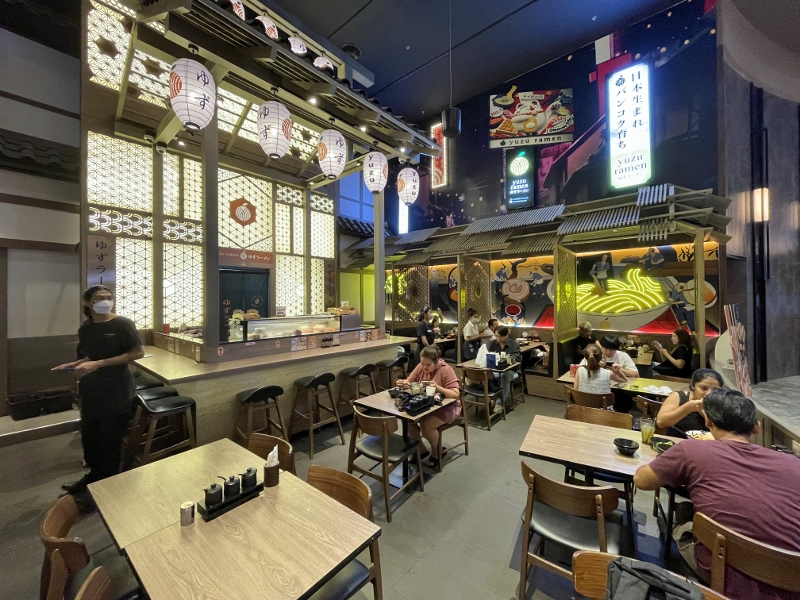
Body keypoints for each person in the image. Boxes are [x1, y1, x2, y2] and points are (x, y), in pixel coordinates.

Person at [634, 389, 800, 600]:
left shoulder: (690, 450)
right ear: (756, 427)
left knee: (683, 516)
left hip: (720, 572)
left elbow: (641, 480)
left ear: (708, 422)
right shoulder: (794, 464)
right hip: (791, 584)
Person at [53, 286, 144, 502]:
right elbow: (90, 356)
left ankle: (105, 492)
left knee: (109, 442)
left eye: (108, 297)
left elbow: (138, 352)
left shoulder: (122, 324)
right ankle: (92, 479)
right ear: (87, 303)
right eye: (99, 298)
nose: (105, 301)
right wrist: (76, 364)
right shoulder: (86, 328)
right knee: (90, 438)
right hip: (92, 389)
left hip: (117, 388)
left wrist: (100, 363)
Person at [396, 346, 461, 468]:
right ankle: (421, 450)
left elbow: (455, 394)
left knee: (426, 425)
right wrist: (402, 383)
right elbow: (409, 381)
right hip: (427, 405)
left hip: (448, 406)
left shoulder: (446, 370)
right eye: (422, 363)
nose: (424, 367)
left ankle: (438, 452)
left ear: (437, 362)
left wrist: (438, 388)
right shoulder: (421, 366)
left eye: (428, 365)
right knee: (409, 421)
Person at [656, 368, 723, 436]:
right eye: (704, 388)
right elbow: (660, 422)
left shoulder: (721, 404)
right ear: (693, 385)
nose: (709, 393)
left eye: (715, 390)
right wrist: (687, 409)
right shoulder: (679, 397)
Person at [485, 327, 521, 414]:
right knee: (487, 375)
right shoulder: (492, 344)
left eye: (500, 336)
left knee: (505, 376)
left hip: (512, 371)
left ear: (506, 335)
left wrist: (506, 359)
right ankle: (493, 398)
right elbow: (486, 354)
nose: (498, 338)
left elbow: (516, 357)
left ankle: (499, 403)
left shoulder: (514, 345)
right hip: (496, 370)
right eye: (496, 336)